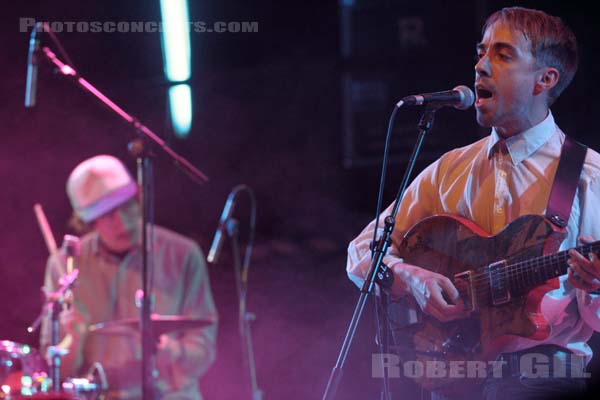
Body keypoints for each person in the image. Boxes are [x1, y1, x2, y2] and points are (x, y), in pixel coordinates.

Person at [347, 6, 600, 400]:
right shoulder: (449, 169)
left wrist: (596, 289)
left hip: (545, 374)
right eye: (481, 52)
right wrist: (415, 280)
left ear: (544, 79)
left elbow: (593, 316)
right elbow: (361, 250)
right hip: (453, 373)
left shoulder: (589, 177)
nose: (481, 65)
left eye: (503, 54)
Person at [40, 154, 218, 399]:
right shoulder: (64, 265)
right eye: (108, 215)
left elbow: (204, 349)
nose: (123, 223)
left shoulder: (183, 254)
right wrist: (72, 339)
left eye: (127, 206)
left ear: (140, 199)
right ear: (88, 222)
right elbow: (54, 372)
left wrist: (169, 351)